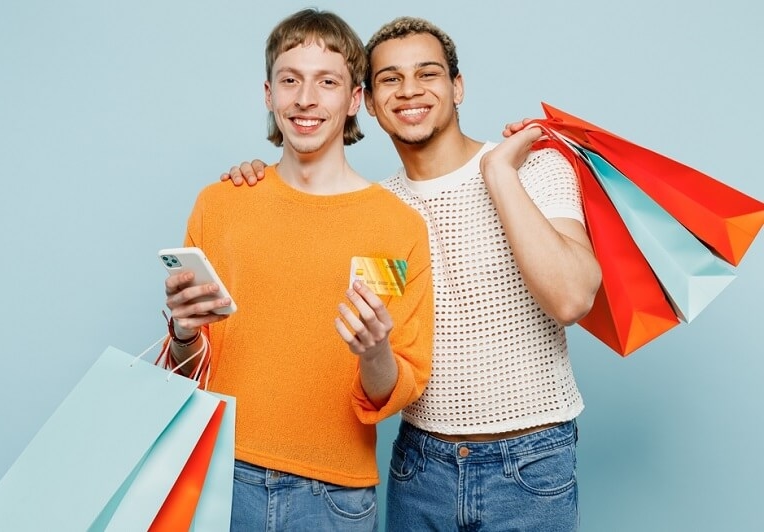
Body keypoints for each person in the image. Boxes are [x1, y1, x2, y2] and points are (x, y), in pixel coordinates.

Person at [223, 16, 602, 532]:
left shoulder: (532, 168)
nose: (410, 91)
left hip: (532, 462)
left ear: (457, 87)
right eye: (390, 79)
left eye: (428, 74)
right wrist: (257, 183)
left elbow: (572, 299)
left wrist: (498, 175)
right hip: (420, 465)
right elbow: (380, 343)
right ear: (370, 102)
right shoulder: (378, 210)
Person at [162, 9, 434, 531]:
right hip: (216, 475)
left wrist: (376, 350)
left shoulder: (395, 226)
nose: (305, 99)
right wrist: (181, 333)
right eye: (290, 80)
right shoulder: (220, 204)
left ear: (354, 99)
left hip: (334, 496)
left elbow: (391, 392)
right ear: (269, 94)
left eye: (326, 82)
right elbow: (184, 372)